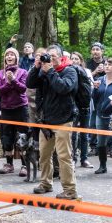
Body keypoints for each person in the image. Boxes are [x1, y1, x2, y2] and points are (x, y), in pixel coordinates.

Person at [29, 45, 81, 200]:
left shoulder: (70, 71)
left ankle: (70, 190)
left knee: (64, 156)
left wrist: (50, 71)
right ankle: (45, 183)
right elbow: (29, 83)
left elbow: (63, 88)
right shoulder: (44, 71)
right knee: (44, 154)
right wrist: (36, 67)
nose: (49, 59)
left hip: (64, 119)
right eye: (47, 56)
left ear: (61, 57)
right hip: (46, 120)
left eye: (53, 56)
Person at [0, 47, 29, 177]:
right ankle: (9, 164)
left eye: (12, 54)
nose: (9, 57)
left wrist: (13, 80)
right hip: (6, 109)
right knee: (6, 137)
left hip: (20, 108)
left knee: (23, 136)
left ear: (16, 58)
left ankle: (25, 165)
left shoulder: (23, 72)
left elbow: (23, 89)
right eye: (7, 55)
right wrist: (8, 83)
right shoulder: (0, 73)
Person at [69, 52, 93, 169]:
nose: (74, 61)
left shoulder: (87, 71)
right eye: (72, 59)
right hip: (73, 105)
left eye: (76, 59)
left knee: (84, 134)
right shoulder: (68, 71)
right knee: (73, 134)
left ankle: (84, 159)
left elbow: (90, 88)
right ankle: (73, 158)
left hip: (85, 105)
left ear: (81, 60)